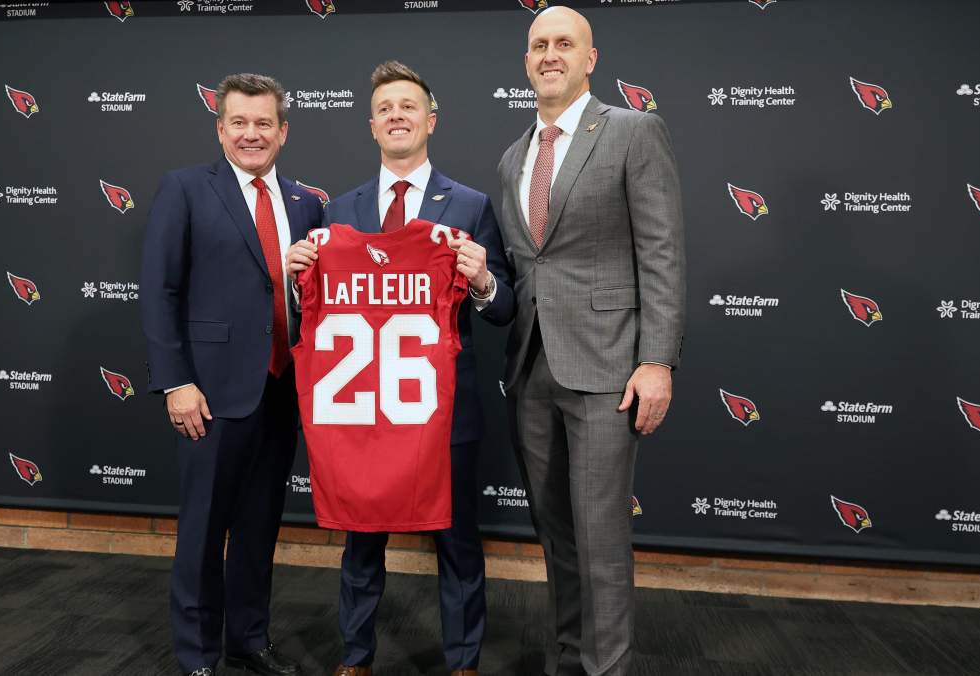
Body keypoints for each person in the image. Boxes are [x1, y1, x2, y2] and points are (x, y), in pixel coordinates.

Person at [285, 61, 514, 676]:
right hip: (364, 410)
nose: (397, 116)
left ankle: (463, 662)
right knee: (361, 543)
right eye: (385, 108)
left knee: (457, 544)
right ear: (371, 125)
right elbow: (318, 314)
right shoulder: (339, 210)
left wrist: (483, 279)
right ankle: (356, 656)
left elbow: (505, 309)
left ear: (430, 120)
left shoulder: (470, 206)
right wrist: (299, 276)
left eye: (408, 106)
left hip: (441, 414)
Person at [496, 8, 686, 676]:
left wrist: (656, 360)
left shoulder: (633, 130)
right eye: (539, 45)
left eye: (564, 44)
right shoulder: (513, 157)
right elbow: (529, 266)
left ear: (590, 59)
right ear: (526, 61)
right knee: (557, 540)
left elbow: (661, 252)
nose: (550, 55)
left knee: (601, 539)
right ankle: (568, 662)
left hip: (608, 370)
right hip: (531, 369)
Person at [141, 73, 323, 676]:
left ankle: (249, 638)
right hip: (210, 393)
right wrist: (176, 382)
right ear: (220, 129)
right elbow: (160, 292)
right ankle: (197, 655)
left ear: (283, 131)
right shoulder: (186, 189)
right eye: (239, 122)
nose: (252, 134)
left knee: (259, 525)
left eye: (263, 123)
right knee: (203, 528)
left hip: (282, 389)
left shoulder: (306, 203)